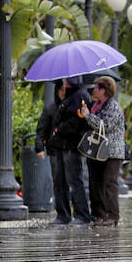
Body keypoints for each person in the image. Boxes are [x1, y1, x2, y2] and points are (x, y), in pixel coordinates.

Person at [78, 76, 126, 226]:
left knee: (109, 183)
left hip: (112, 152)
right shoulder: (96, 105)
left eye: (97, 88)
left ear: (104, 90)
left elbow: (105, 126)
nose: (94, 90)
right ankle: (99, 214)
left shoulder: (113, 106)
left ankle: (112, 215)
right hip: (96, 151)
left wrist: (88, 116)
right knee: (95, 183)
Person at [45, 76, 92, 225]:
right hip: (61, 144)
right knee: (60, 181)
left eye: (66, 81)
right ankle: (63, 214)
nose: (64, 83)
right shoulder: (70, 96)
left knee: (74, 180)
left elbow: (77, 121)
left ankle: (82, 214)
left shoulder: (79, 96)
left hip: (70, 145)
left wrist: (60, 129)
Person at [35, 81, 66, 220]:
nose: (63, 93)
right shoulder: (51, 108)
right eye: (61, 90)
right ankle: (62, 213)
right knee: (58, 182)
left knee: (72, 182)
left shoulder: (72, 106)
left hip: (70, 150)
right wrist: (39, 147)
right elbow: (41, 129)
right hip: (55, 150)